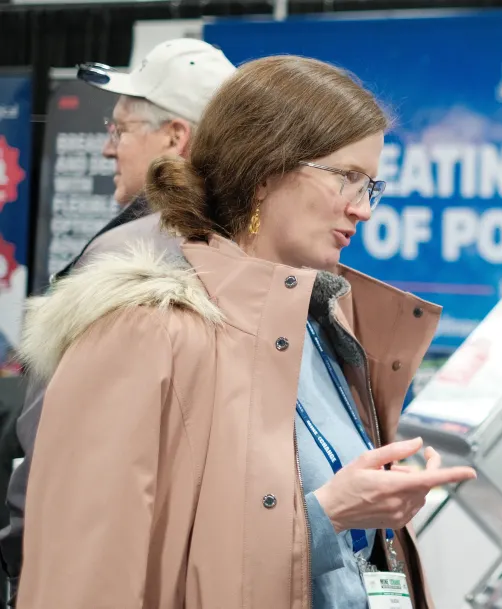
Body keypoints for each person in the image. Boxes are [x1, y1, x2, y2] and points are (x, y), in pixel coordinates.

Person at [15, 55, 476, 608]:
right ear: (263, 173)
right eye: (347, 178)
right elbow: (89, 577)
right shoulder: (143, 330)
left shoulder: (324, 324)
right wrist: (330, 514)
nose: (363, 209)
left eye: (370, 185)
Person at [0, 38, 236, 601]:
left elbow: (57, 443)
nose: (110, 150)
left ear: (175, 139)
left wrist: (19, 553)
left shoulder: (134, 255)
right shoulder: (238, 250)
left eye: (121, 131)